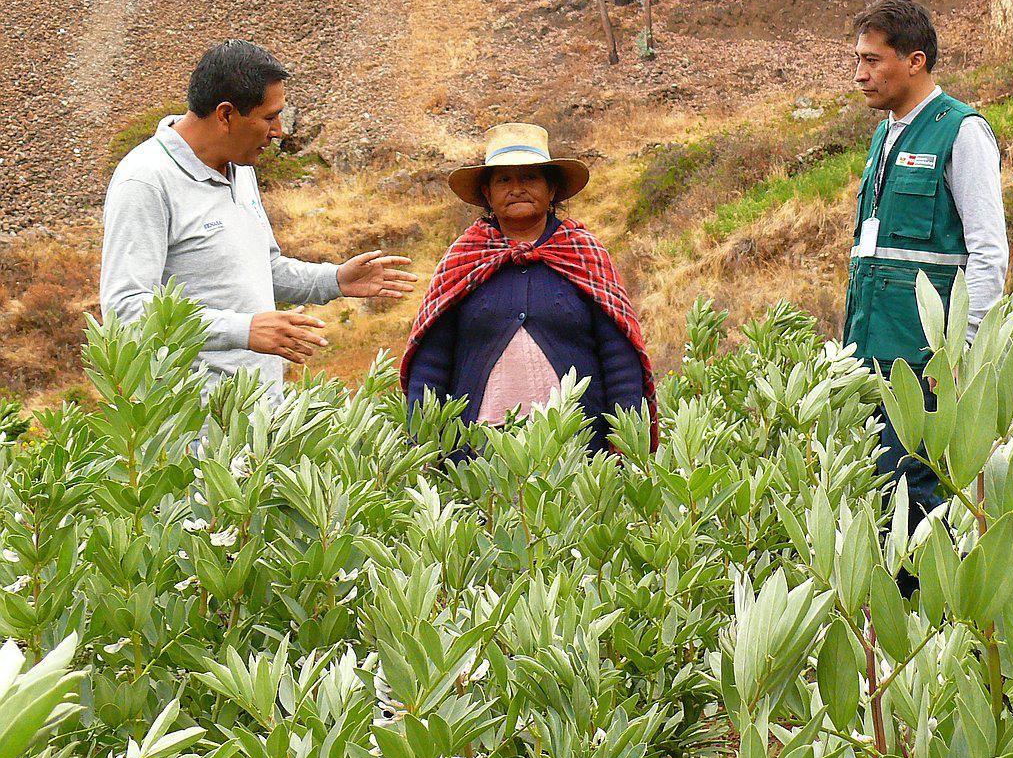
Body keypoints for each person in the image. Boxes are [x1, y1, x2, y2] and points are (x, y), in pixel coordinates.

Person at [100, 40, 418, 394]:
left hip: (262, 419)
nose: (280, 130)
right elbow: (125, 310)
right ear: (225, 115)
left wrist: (336, 280)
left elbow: (262, 268)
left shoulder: (240, 163)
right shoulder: (144, 181)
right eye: (269, 117)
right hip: (192, 431)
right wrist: (243, 330)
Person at [842, 0, 1009, 531]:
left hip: (923, 362)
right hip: (870, 355)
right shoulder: (882, 136)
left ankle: (926, 611)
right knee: (877, 488)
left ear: (915, 61)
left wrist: (958, 350)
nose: (860, 75)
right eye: (858, 60)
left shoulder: (962, 131)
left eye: (873, 60)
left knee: (917, 494)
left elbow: (989, 251)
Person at [401, 123, 655, 455]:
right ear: (487, 194)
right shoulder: (464, 258)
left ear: (551, 191)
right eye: (504, 179)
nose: (517, 188)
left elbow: (619, 359)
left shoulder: (584, 253)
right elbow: (431, 363)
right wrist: (423, 445)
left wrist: (627, 444)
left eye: (530, 178)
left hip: (578, 446)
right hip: (480, 453)